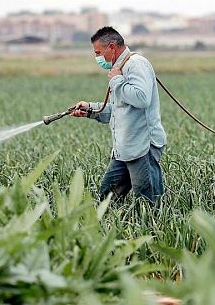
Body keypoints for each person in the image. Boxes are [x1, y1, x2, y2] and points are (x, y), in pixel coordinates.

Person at [70, 27, 167, 203]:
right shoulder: (119, 68)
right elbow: (118, 110)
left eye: (98, 52)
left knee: (148, 200)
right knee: (108, 195)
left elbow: (142, 98)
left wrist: (116, 80)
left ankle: (155, 229)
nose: (98, 58)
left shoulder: (136, 64)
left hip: (142, 146)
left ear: (112, 47)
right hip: (125, 148)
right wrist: (90, 109)